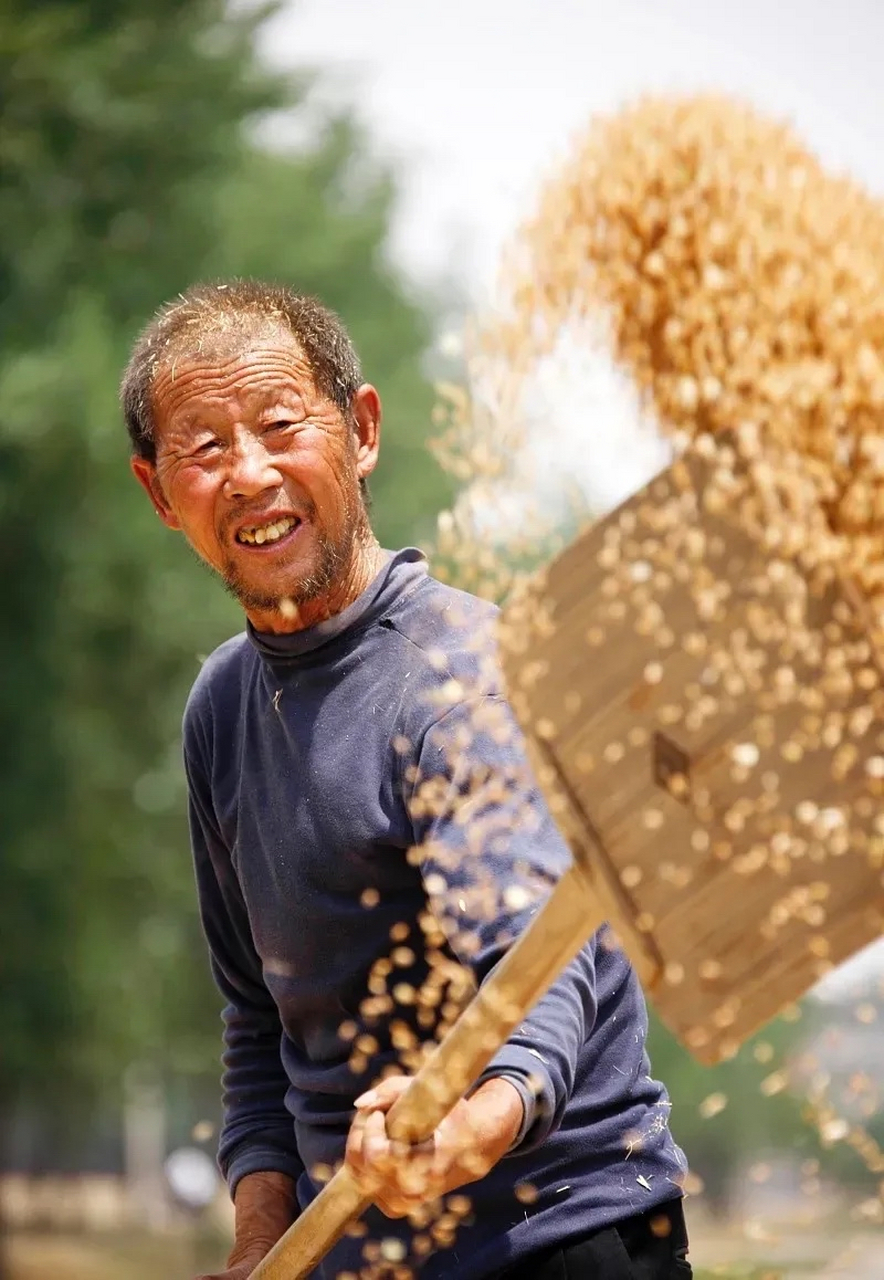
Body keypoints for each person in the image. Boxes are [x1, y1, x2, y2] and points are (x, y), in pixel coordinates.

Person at [123, 279, 693, 1279]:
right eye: (205, 447)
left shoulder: (458, 675)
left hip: (564, 1234)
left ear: (361, 428)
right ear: (160, 493)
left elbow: (537, 966)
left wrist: (474, 1121)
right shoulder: (220, 708)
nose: (250, 473)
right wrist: (260, 1237)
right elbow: (259, 1016)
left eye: (279, 424)